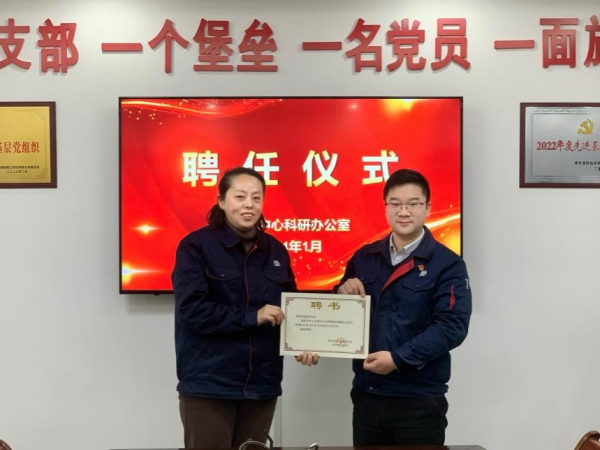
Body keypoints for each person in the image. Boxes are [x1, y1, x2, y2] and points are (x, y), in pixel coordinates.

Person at [336, 168, 472, 446]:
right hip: (367, 395)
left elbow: (452, 326)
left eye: (413, 204)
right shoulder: (364, 257)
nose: (404, 212)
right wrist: (341, 291)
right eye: (395, 204)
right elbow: (340, 310)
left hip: (418, 400)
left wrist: (399, 359)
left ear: (428, 207)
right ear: (385, 207)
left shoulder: (448, 264)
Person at [172, 166, 296, 449]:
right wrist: (253, 317)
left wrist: (306, 341)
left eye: (256, 197)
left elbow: (291, 308)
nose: (249, 204)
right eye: (240, 196)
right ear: (221, 201)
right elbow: (192, 312)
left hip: (262, 385)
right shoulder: (195, 247)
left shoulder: (276, 250)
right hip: (209, 386)